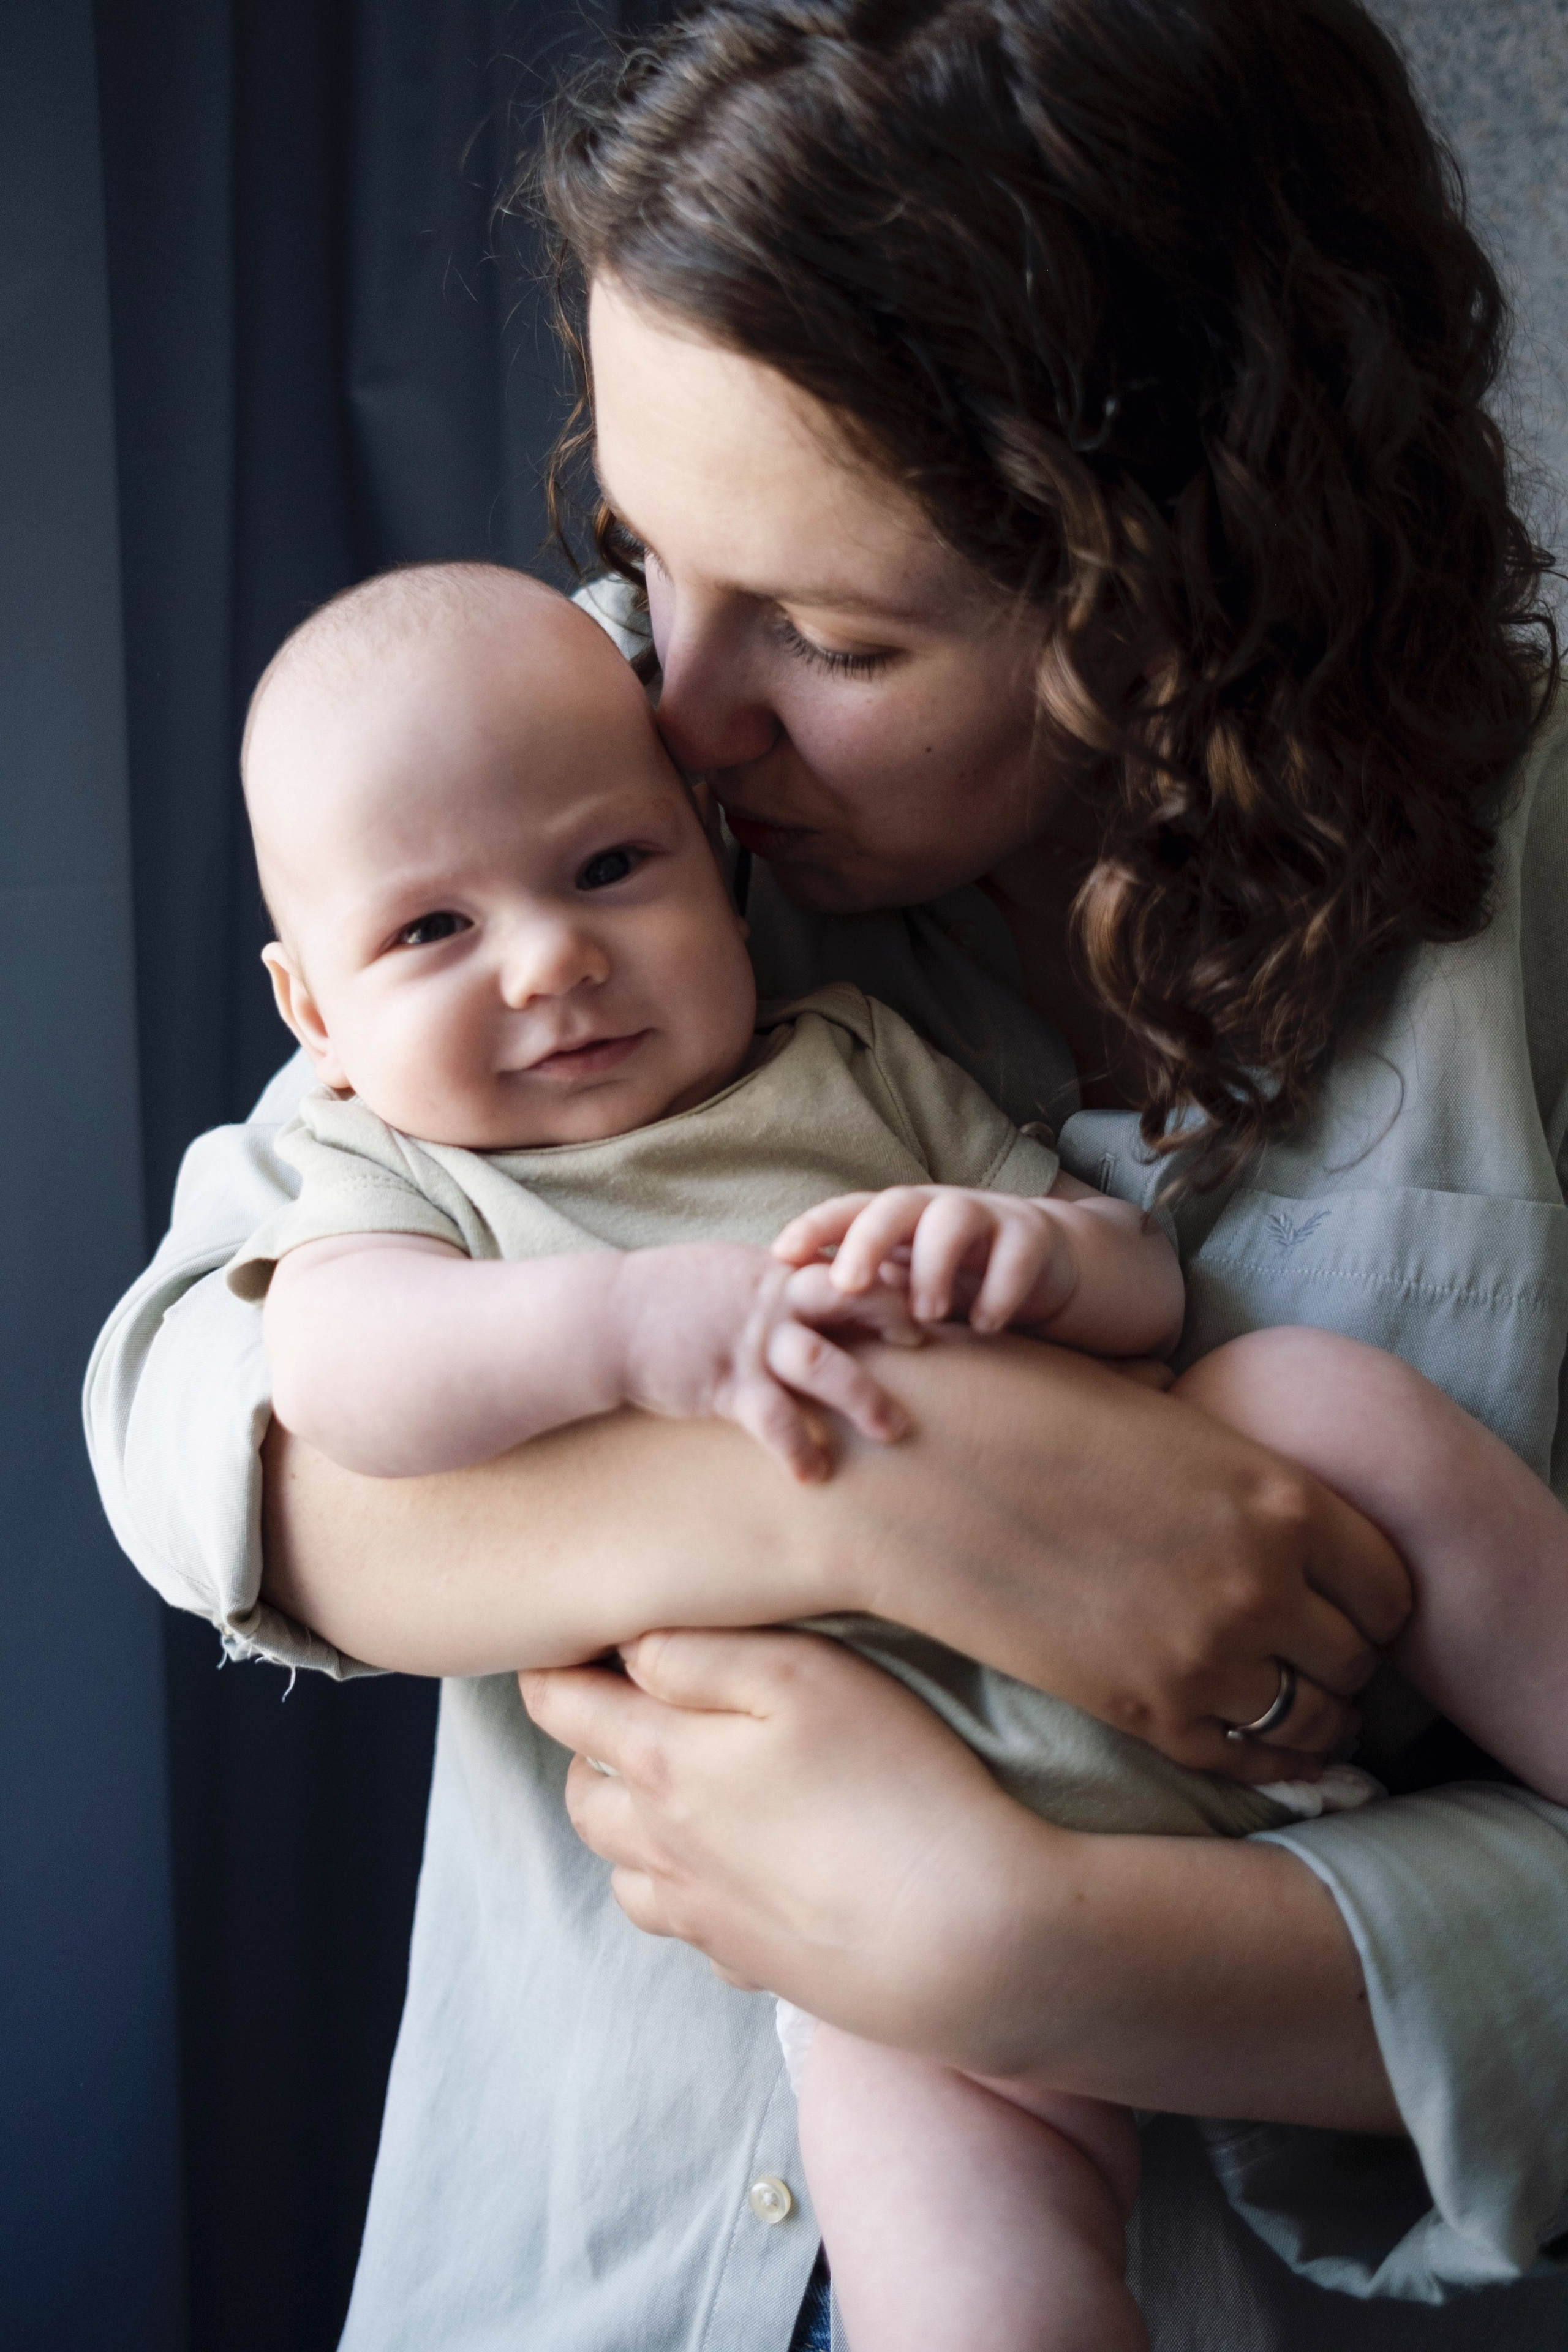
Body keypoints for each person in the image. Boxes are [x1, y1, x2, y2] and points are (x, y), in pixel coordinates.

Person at [85, 1, 1568, 2345]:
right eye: (644, 550)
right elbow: (205, 1410)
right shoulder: (559, 777)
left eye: (839, 635)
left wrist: (1049, 1953)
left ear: (1186, 592)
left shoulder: (1533, 896)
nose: (680, 712)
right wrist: (863, 1496)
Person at [228, 555, 1568, 2352]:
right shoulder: (393, 1166)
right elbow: (331, 1380)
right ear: (312, 1012)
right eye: (430, 935)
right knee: (970, 2272)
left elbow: (1137, 1285)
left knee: (1320, 1397)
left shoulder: (843, 1050)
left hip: (1206, 1784)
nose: (551, 958)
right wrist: (633, 1332)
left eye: (613, 868)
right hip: (864, 1874)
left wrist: (1037, 1253)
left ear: (713, 852)